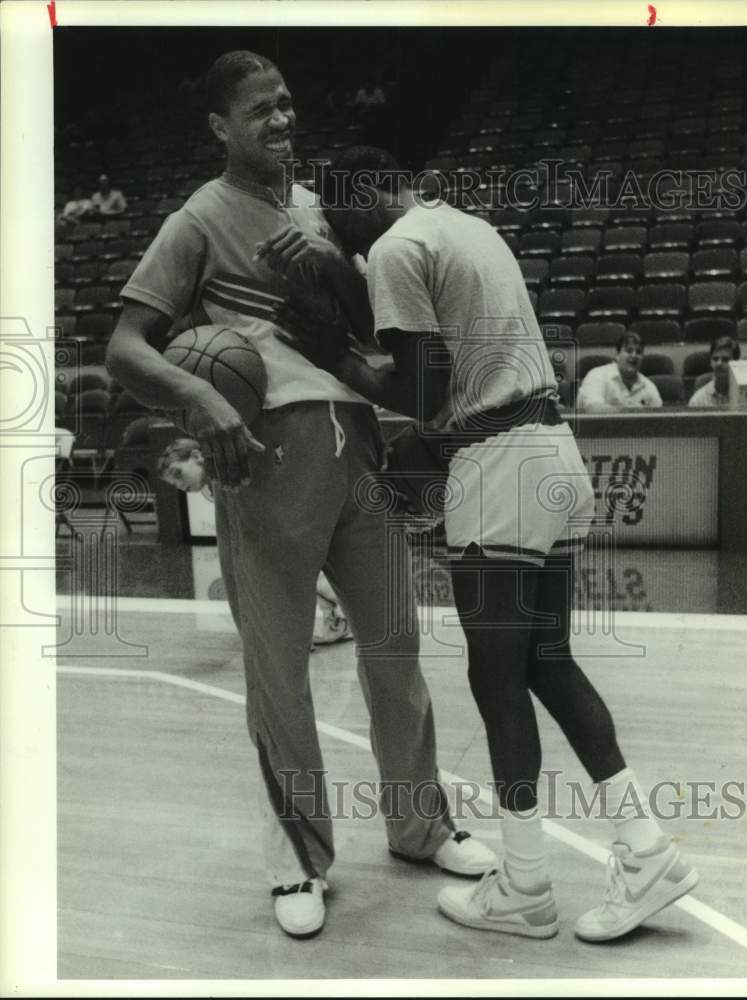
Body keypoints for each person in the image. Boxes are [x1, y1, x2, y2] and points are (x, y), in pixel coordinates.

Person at [106, 52, 494, 941]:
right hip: (267, 462)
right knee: (281, 675)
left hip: (357, 446)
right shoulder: (195, 220)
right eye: (258, 111)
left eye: (285, 106)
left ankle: (418, 824)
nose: (280, 122)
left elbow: (366, 329)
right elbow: (129, 346)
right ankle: (297, 857)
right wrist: (200, 400)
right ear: (219, 128)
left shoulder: (322, 207)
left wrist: (331, 262)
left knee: (395, 647)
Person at [270, 146, 699, 942]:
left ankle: (528, 886)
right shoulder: (466, 226)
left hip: (496, 460)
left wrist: (334, 354)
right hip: (553, 454)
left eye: (338, 219)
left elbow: (427, 394)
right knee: (548, 662)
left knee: (497, 681)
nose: (344, 238)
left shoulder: (397, 248)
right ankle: (646, 851)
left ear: (363, 198)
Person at [157, 437, 354, 648]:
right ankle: (318, 624)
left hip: (292, 524)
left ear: (197, 456)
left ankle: (347, 617)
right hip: (269, 534)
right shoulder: (214, 485)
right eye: (173, 483)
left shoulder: (235, 466)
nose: (179, 485)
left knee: (307, 574)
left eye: (178, 474)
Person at [576, 333, 663, 412]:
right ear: (617, 355)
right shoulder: (597, 375)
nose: (634, 355)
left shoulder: (648, 386)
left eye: (639, 352)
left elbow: (660, 417)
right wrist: (628, 414)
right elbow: (592, 408)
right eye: (629, 351)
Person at [688, 335, 740, 408]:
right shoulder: (697, 401)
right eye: (715, 359)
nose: (719, 364)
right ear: (710, 363)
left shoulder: (745, 396)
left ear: (736, 364)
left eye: (725, 359)